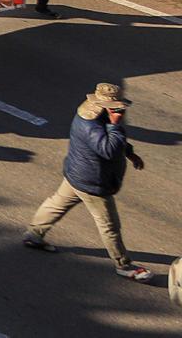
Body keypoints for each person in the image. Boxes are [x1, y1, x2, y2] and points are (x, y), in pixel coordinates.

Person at [23, 83, 153, 282]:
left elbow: (116, 144)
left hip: (77, 174)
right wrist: (115, 124)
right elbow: (109, 149)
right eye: (116, 107)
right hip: (93, 183)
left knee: (57, 203)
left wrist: (130, 153)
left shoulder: (93, 115)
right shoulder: (91, 124)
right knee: (109, 225)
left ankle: (34, 234)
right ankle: (123, 265)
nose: (120, 111)